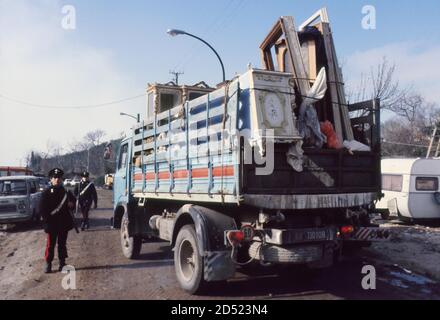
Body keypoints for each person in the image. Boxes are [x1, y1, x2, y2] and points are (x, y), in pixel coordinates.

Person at [40, 168, 76, 274]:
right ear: (51, 179)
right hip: (51, 223)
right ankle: (48, 264)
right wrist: (46, 222)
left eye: (59, 178)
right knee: (50, 245)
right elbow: (42, 209)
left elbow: (73, 202)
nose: (57, 180)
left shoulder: (66, 192)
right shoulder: (46, 192)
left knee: (62, 244)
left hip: (63, 223)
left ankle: (62, 263)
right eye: (55, 178)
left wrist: (71, 205)